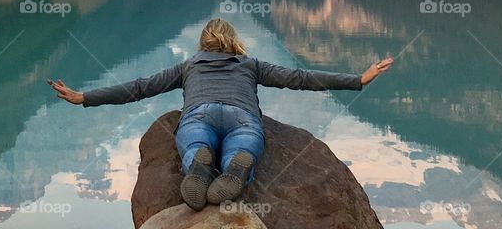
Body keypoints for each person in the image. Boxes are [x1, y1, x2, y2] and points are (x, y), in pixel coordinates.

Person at [48, 17, 394, 211]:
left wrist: (85, 97)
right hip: (243, 116)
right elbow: (299, 78)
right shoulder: (250, 64)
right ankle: (235, 167)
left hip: (199, 112)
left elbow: (140, 87)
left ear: (203, 44)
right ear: (233, 42)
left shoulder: (189, 66)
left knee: (194, 137)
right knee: (245, 143)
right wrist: (357, 80)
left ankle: (197, 163)